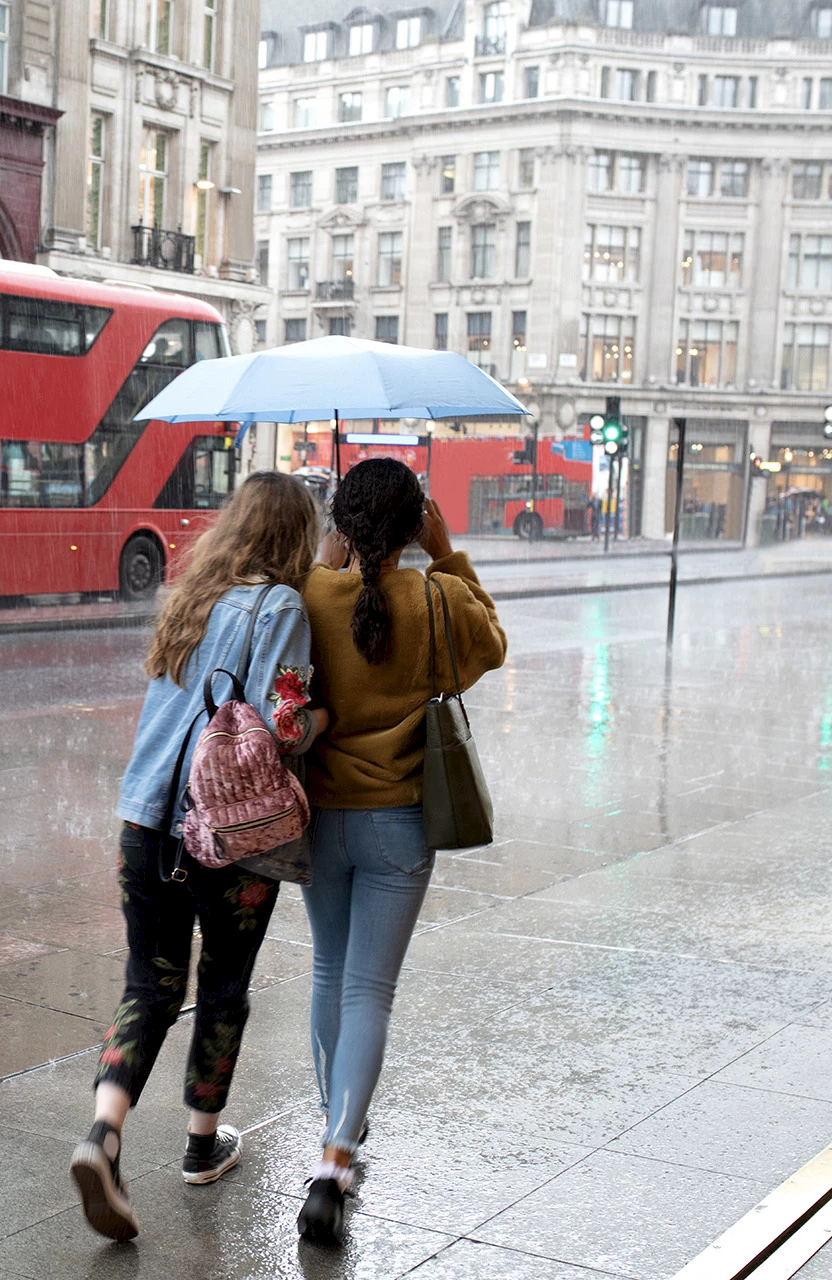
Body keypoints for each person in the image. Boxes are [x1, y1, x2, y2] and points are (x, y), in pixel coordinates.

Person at [71, 471, 330, 1241]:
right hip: (226, 831)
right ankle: (200, 1143)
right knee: (222, 986)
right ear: (297, 537)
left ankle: (103, 1133)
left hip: (143, 819)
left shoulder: (193, 597)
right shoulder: (280, 604)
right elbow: (281, 724)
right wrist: (319, 717)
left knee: (148, 984)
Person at [294, 458, 507, 1245]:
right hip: (399, 826)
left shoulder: (309, 598)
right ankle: (337, 1155)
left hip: (319, 820)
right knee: (368, 993)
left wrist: (329, 557)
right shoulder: (438, 599)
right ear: (414, 523)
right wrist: (447, 550)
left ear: (342, 525)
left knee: (327, 971)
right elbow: (492, 646)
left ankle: (333, 1127)